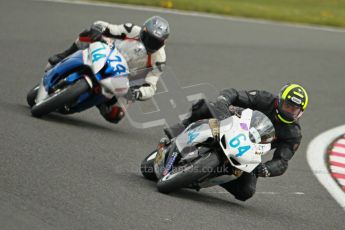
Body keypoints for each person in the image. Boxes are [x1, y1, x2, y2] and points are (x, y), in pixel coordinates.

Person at [165, 83, 309, 201]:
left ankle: (209, 176)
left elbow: (282, 161)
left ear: (300, 112)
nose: (289, 111)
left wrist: (266, 169)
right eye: (287, 106)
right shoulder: (264, 99)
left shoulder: (293, 134)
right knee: (207, 105)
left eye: (294, 109)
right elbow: (235, 94)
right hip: (234, 126)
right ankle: (181, 128)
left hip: (249, 152)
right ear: (279, 101)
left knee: (246, 191)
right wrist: (223, 99)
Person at [46, 16, 170, 123]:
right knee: (89, 34)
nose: (150, 44)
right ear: (143, 31)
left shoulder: (159, 60)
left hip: (122, 78)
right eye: (149, 39)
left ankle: (98, 100)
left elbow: (151, 86)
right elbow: (107, 27)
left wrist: (137, 93)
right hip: (107, 54)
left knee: (115, 115)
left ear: (163, 43)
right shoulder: (131, 29)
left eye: (156, 43)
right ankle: (65, 55)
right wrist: (98, 29)